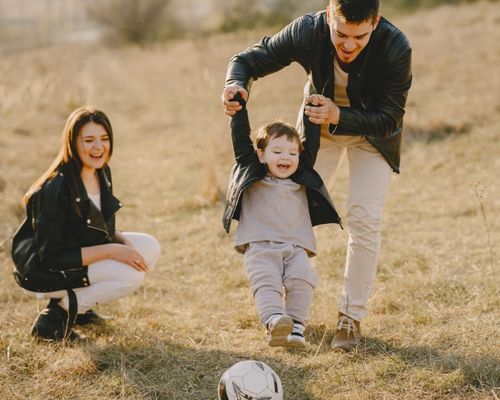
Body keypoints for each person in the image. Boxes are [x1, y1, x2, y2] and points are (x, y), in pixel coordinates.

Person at [222, 0, 412, 351]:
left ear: (376, 22)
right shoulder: (307, 31)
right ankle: (280, 312)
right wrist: (236, 85)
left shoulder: (395, 46)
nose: (349, 45)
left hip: (373, 137)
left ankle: (350, 318)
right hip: (315, 133)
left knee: (363, 218)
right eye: (341, 34)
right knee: (291, 208)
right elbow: (247, 60)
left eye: (360, 36)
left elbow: (390, 118)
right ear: (328, 16)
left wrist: (339, 113)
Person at [11, 106, 161, 341]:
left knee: (149, 247)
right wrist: (113, 250)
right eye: (89, 140)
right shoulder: (56, 189)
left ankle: (80, 309)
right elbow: (51, 257)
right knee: (131, 276)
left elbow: (98, 228)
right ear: (73, 143)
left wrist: (122, 241)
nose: (98, 147)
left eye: (104, 139)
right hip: (43, 271)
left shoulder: (101, 172)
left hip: (73, 258)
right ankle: (55, 317)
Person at [223, 94, 340, 348]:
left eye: (292, 153)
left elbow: (311, 140)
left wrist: (313, 106)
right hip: (260, 245)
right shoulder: (251, 170)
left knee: (302, 280)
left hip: (296, 246)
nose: (285, 158)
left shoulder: (302, 176)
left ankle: (296, 326)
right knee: (267, 283)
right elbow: (241, 138)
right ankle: (275, 321)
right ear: (261, 155)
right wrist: (237, 108)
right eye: (277, 151)